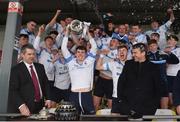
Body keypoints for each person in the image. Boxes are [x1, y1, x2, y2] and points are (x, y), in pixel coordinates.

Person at [117, 43, 167, 118]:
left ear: (143, 53)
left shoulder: (153, 67)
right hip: (127, 107)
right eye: (132, 53)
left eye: (135, 53)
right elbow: (121, 82)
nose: (133, 55)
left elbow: (158, 87)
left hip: (147, 108)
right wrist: (120, 100)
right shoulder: (128, 64)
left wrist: (153, 105)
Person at [61, 25, 97, 114]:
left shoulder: (90, 61)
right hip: (74, 95)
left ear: (86, 54)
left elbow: (94, 47)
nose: (80, 54)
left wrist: (87, 31)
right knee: (73, 117)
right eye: (78, 52)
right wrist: (67, 32)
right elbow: (63, 48)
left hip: (86, 95)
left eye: (82, 52)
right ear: (75, 54)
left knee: (89, 118)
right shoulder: (70, 62)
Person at [8, 44, 52, 116]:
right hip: (26, 106)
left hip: (40, 105)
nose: (32, 56)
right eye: (29, 54)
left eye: (33, 54)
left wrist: (48, 98)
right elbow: (13, 90)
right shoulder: (16, 70)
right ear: (22, 55)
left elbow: (45, 84)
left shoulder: (40, 67)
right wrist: (21, 106)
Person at [96, 45, 128, 114]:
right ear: (117, 54)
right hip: (116, 96)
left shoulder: (132, 64)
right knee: (114, 117)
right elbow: (98, 67)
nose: (121, 52)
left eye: (124, 50)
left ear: (127, 53)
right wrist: (101, 56)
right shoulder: (113, 64)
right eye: (120, 51)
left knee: (127, 118)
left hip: (128, 97)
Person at [147, 39, 179, 109]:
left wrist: (170, 53)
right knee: (152, 105)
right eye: (151, 46)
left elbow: (176, 61)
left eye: (154, 45)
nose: (152, 47)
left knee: (164, 106)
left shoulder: (164, 54)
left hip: (163, 82)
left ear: (157, 45)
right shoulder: (146, 56)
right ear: (148, 47)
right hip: (151, 83)